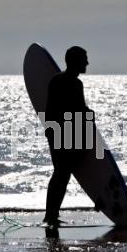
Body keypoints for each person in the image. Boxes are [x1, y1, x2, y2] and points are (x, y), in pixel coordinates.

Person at [43, 46, 94, 226]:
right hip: (63, 134)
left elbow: (76, 111)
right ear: (75, 61)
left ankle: (52, 215)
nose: (87, 63)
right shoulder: (69, 83)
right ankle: (50, 216)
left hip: (64, 133)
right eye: (84, 59)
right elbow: (72, 111)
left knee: (62, 174)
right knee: (61, 174)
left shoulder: (60, 81)